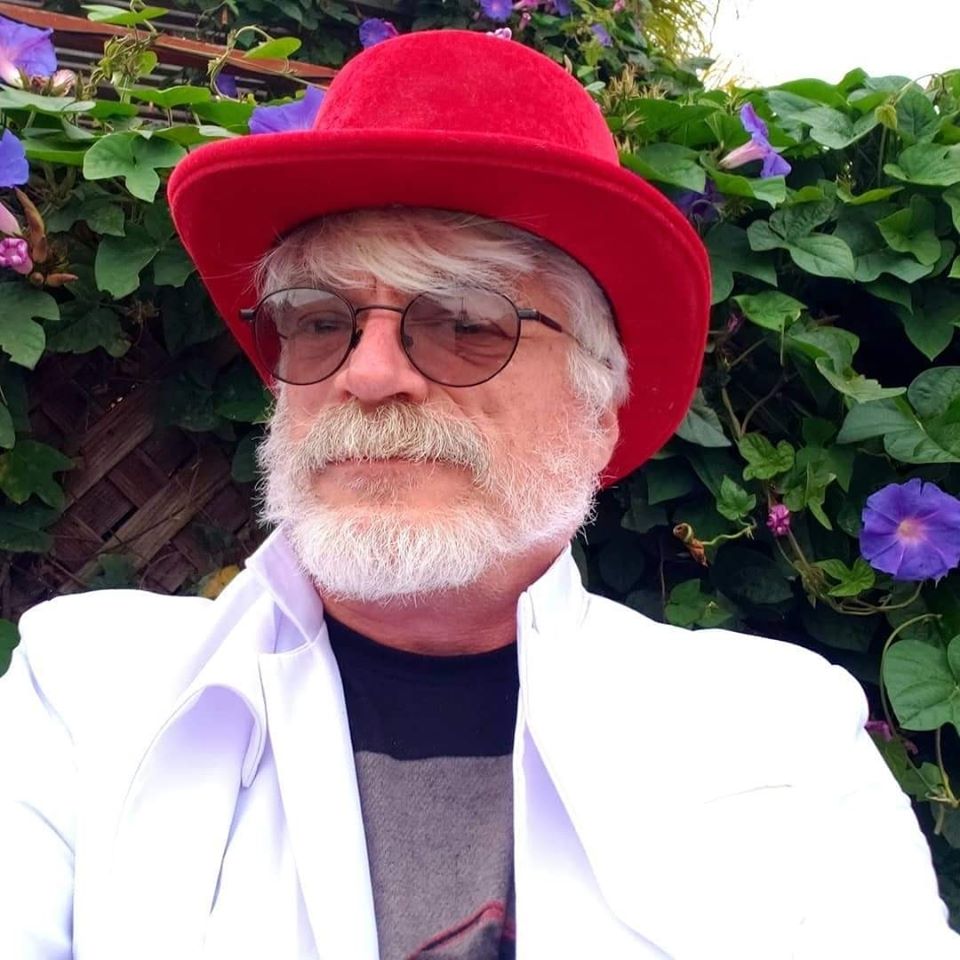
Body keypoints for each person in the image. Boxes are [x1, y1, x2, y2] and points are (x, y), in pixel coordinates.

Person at [1, 28, 957, 960]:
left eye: (464, 321)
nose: (368, 374)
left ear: (597, 410)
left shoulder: (773, 733)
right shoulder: (91, 691)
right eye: (320, 321)